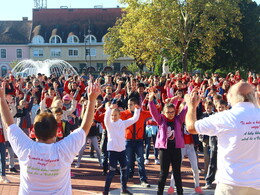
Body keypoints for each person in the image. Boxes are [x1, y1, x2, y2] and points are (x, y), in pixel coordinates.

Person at [0, 82, 101, 194]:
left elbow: (9, 124)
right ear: (56, 133)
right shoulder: (64, 149)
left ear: (35, 133)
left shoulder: (26, 148)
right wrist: (92, 100)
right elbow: (85, 128)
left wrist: (2, 99)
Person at [185, 82, 260, 195]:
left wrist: (191, 106)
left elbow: (191, 127)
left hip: (230, 184)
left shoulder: (225, 117)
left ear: (230, 98)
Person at [148, 90, 187, 195]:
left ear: (175, 112)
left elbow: (185, 109)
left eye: (172, 112)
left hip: (176, 148)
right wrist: (151, 100)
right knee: (163, 173)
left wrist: (187, 99)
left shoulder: (179, 119)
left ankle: (180, 193)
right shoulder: (160, 120)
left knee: (177, 173)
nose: (170, 114)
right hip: (164, 149)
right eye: (168, 112)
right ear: (164, 113)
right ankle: (159, 193)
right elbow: (153, 112)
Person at [103, 100, 141, 195]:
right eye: (112, 115)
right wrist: (110, 108)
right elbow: (106, 118)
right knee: (111, 171)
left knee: (124, 170)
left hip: (122, 151)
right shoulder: (109, 124)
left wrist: (137, 109)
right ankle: (106, 191)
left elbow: (134, 119)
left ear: (120, 115)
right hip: (112, 151)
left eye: (115, 115)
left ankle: (123, 189)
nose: (113, 117)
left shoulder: (123, 123)